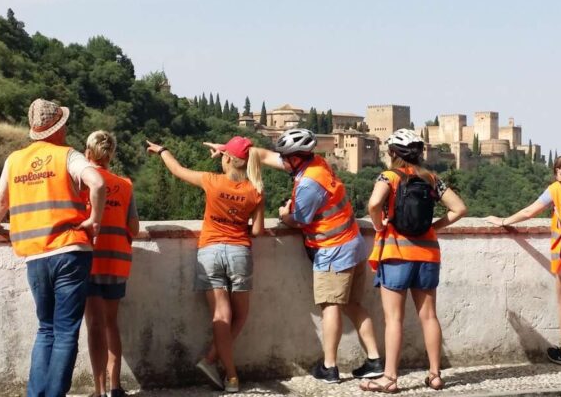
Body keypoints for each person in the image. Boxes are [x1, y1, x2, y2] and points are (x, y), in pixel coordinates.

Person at [205, 129, 383, 384]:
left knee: (330, 306)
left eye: (285, 157)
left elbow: (299, 220)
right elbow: (264, 155)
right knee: (354, 305)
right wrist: (229, 149)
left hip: (332, 250)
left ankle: (329, 367)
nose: (282, 160)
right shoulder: (316, 164)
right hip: (353, 244)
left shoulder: (309, 184)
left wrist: (282, 214)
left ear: (296, 158)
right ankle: (375, 360)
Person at [0, 98, 106, 397]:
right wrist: (95, 220)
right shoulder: (67, 155)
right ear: (59, 127)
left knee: (45, 329)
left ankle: (36, 394)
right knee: (65, 333)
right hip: (71, 251)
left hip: (35, 255)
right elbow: (97, 183)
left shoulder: (14, 160)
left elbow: (2, 203)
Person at [147, 136, 264, 393]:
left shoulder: (211, 181)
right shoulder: (255, 190)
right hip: (239, 252)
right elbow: (257, 230)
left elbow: (177, 170)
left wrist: (163, 150)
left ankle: (229, 374)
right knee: (240, 315)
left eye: (224, 156)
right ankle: (213, 363)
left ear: (229, 160)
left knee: (221, 315)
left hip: (209, 251)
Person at [485, 153, 561, 375]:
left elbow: (529, 212)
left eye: (557, 172)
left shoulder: (557, 188)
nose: (556, 176)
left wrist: (503, 220)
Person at [361, 129, 466, 393]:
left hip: (397, 253)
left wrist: (379, 225)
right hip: (428, 254)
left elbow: (374, 204)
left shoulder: (389, 176)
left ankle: (390, 378)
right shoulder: (431, 178)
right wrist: (435, 227)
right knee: (429, 316)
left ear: (393, 153)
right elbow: (460, 209)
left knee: (394, 319)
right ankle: (435, 375)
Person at [81, 131, 139, 397]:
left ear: (88, 153)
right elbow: (134, 228)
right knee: (111, 323)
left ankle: (99, 390)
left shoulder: (82, 183)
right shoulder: (125, 184)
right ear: (111, 154)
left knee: (94, 324)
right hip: (118, 261)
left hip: (90, 258)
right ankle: (116, 387)